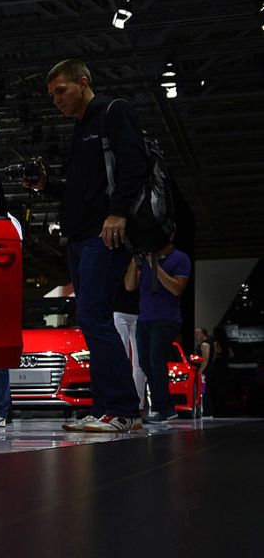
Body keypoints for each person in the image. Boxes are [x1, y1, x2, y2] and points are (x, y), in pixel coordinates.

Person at [33, 58, 148, 432]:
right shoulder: (80, 130)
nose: (56, 100)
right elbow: (82, 193)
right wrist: (45, 186)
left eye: (61, 91)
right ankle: (107, 409)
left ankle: (122, 409)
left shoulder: (114, 112)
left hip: (106, 233)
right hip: (82, 236)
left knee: (94, 316)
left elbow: (135, 165)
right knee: (93, 317)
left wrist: (118, 214)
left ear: (83, 83)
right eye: (51, 96)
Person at [124, 241, 190, 422]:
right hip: (144, 318)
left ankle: (163, 408)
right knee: (145, 363)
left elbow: (177, 289)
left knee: (156, 362)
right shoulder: (143, 260)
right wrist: (134, 261)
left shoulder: (180, 258)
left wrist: (155, 266)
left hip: (166, 318)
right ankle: (165, 406)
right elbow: (129, 286)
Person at [113, 284, 146, 410]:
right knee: (123, 357)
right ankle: (124, 401)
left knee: (139, 361)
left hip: (138, 313)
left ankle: (138, 404)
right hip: (120, 311)